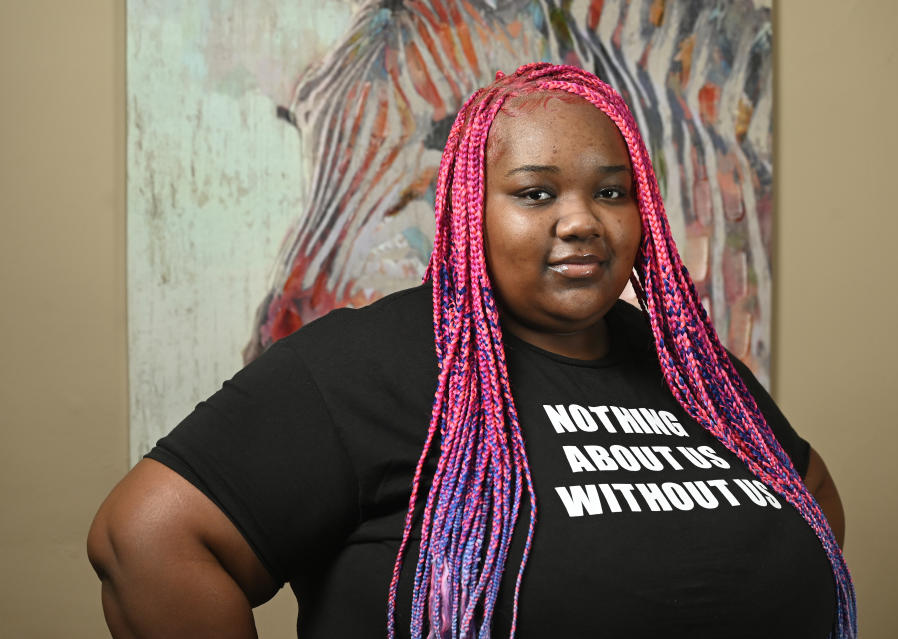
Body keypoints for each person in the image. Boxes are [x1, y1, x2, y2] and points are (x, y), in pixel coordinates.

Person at [88, 64, 856, 639]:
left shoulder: (696, 370)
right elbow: (146, 538)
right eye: (536, 192)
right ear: (468, 210)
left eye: (612, 192)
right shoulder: (368, 362)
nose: (582, 220)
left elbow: (811, 502)